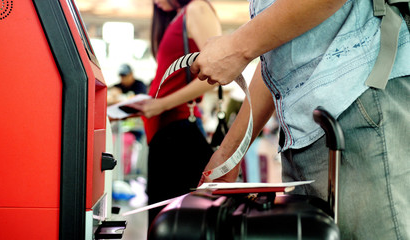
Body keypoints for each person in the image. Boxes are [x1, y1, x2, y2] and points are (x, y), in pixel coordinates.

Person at [191, 0, 410, 239]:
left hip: (355, 102)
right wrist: (229, 154)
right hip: (306, 134)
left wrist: (237, 46)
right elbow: (275, 63)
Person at [131, 0, 221, 226]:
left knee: (175, 224)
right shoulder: (178, 17)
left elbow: (217, 71)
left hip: (179, 132)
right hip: (166, 134)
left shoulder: (196, 9)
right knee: (165, 222)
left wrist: (161, 104)